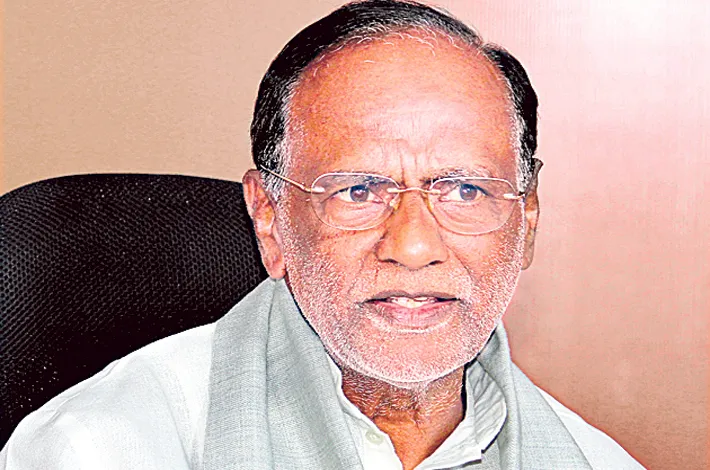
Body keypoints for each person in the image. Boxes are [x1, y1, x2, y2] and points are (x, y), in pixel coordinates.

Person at [1, 1, 644, 468]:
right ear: (270, 218)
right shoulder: (97, 448)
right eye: (358, 191)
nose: (414, 246)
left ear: (526, 219)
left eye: (465, 190)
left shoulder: (595, 460)